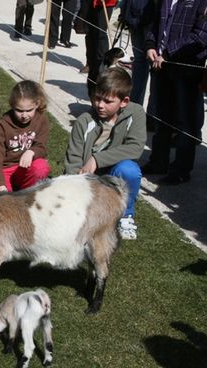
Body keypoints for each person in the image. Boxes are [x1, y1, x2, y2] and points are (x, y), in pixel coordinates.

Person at [64, 67, 146, 240]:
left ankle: (126, 216)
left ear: (124, 102)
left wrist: (96, 159)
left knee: (130, 169)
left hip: (115, 174)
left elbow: (136, 147)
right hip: (88, 180)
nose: (99, 105)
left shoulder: (136, 113)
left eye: (107, 101)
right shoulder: (84, 120)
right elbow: (73, 159)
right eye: (97, 98)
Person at [141, 0, 207, 185]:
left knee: (185, 123)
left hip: (185, 68)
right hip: (161, 66)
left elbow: (201, 37)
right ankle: (158, 161)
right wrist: (150, 45)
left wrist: (167, 54)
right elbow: (155, 25)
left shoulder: (202, 2)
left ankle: (180, 170)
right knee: (161, 118)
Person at [0, 80, 51, 193]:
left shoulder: (41, 120)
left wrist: (32, 152)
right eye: (19, 110)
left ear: (37, 104)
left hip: (26, 169)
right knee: (0, 199)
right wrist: (0, 185)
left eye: (29, 110)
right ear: (12, 105)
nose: (24, 115)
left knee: (41, 166)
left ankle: (29, 192)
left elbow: (42, 147)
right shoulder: (2, 124)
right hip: (5, 169)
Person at [84, 0, 117, 99]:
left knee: (100, 35)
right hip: (90, 3)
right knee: (89, 34)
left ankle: (102, 69)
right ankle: (91, 68)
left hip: (105, 3)